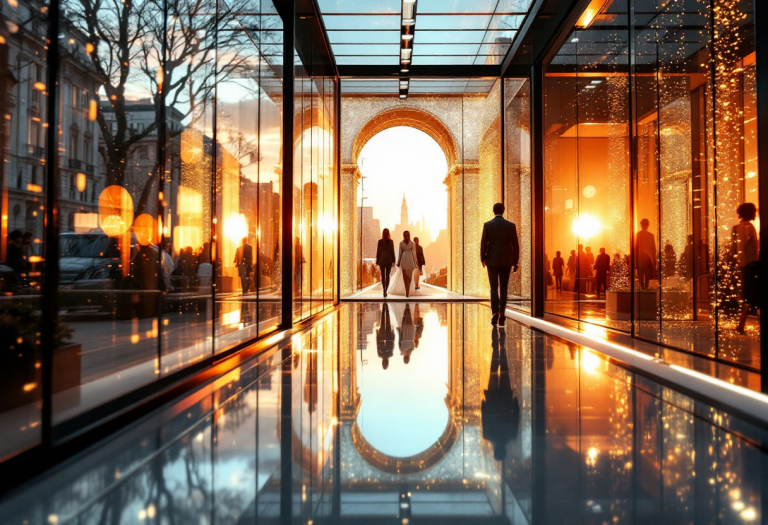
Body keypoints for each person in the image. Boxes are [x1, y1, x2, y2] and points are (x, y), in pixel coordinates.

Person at [481, 328, 520, 462]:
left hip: (505, 399)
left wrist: (514, 402)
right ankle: (496, 350)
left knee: (504, 371)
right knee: (493, 371)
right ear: (495, 450)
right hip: (492, 399)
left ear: (504, 450)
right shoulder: (488, 435)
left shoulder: (512, 436)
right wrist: (484, 403)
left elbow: (516, 416)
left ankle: (502, 347)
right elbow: (484, 418)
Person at [481, 203, 520, 327]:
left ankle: (495, 313)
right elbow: (515, 245)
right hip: (507, 260)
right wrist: (516, 261)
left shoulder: (488, 225)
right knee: (503, 288)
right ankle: (502, 313)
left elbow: (483, 243)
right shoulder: (511, 226)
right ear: (503, 211)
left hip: (492, 260)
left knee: (493, 287)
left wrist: (483, 258)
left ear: (494, 211)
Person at [731, 202, 759, 334]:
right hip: (752, 264)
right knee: (752, 294)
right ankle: (741, 324)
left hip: (743, 264)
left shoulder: (736, 228)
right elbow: (753, 248)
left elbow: (734, 249)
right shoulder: (750, 228)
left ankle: (741, 323)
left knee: (748, 294)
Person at [388, 231, 420, 297]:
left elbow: (400, 253)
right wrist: (415, 262)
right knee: (409, 276)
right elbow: (414, 254)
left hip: (404, 259)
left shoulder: (402, 243)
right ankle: (407, 290)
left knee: (405, 276)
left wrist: (398, 261)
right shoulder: (411, 243)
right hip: (410, 260)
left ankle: (407, 290)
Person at [636, 218, 656, 289]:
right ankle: (646, 287)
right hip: (648, 258)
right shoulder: (651, 235)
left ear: (641, 225)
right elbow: (653, 249)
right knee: (647, 275)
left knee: (640, 275)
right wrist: (653, 259)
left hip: (640, 258)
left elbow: (636, 248)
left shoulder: (638, 235)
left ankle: (642, 287)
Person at [375, 228, 395, 297]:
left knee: (383, 276)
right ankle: (386, 289)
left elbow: (378, 252)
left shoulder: (380, 241)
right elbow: (392, 251)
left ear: (383, 233)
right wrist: (394, 260)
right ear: (388, 233)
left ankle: (384, 290)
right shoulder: (391, 241)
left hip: (382, 260)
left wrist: (377, 261)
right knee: (387, 275)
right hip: (389, 260)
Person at [376, 303, 394, 370]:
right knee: (383, 321)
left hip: (388, 336)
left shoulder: (390, 354)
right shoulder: (380, 354)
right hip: (382, 336)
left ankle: (386, 308)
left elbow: (392, 344)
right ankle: (384, 308)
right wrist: (377, 335)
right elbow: (378, 344)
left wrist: (393, 334)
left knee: (388, 321)